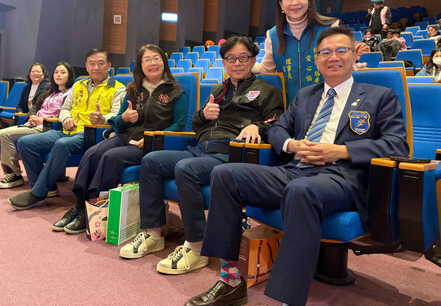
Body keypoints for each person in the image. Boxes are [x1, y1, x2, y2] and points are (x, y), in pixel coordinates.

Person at [186, 27, 409, 306]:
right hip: (295, 168)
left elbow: (397, 145)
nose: (333, 57)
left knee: (301, 190)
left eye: (341, 50)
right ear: (317, 60)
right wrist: (292, 145)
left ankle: (289, 300)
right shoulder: (306, 95)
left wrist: (340, 151)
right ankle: (230, 281)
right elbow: (278, 128)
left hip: (341, 176)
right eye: (325, 52)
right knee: (225, 174)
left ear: (354, 55)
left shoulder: (380, 96)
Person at [119, 36, 284, 275]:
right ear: (224, 63)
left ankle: (197, 247)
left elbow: (277, 122)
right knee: (151, 161)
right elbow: (195, 125)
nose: (237, 63)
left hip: (231, 152)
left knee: (186, 168)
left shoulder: (267, 90)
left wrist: (258, 127)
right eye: (231, 58)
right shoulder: (218, 90)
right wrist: (204, 115)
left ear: (253, 60)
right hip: (200, 149)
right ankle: (154, 233)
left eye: (243, 58)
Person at [52, 44, 188, 234]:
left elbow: (179, 124)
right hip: (126, 136)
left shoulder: (176, 92)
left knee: (110, 157)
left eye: (156, 58)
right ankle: (79, 206)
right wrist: (124, 118)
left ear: (164, 62)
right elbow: (117, 120)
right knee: (92, 153)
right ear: (140, 65)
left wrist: (152, 137)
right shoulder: (133, 89)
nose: (152, 63)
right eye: (146, 60)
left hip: (150, 143)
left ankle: (96, 208)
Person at [7, 49, 126, 210]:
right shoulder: (79, 84)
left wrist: (103, 119)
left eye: (101, 63)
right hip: (67, 129)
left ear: (109, 65)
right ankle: (44, 188)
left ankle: (37, 194)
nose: (96, 67)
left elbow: (117, 114)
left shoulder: (117, 88)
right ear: (86, 66)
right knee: (25, 143)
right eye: (92, 64)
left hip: (91, 134)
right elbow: (65, 108)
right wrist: (66, 118)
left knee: (62, 144)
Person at [0, 62, 74, 188]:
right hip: (33, 124)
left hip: (47, 128)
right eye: (56, 72)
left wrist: (43, 120)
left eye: (63, 72)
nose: (58, 75)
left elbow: (66, 115)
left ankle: (14, 174)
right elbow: (35, 107)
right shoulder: (50, 92)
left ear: (70, 76)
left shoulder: (70, 94)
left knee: (5, 135)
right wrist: (32, 117)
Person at [253, 0, 338, 106]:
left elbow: (340, 63)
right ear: (281, 4)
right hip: (289, 109)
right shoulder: (273, 35)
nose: (295, 2)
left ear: (309, 1)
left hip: (326, 107)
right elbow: (266, 68)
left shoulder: (330, 28)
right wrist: (244, 64)